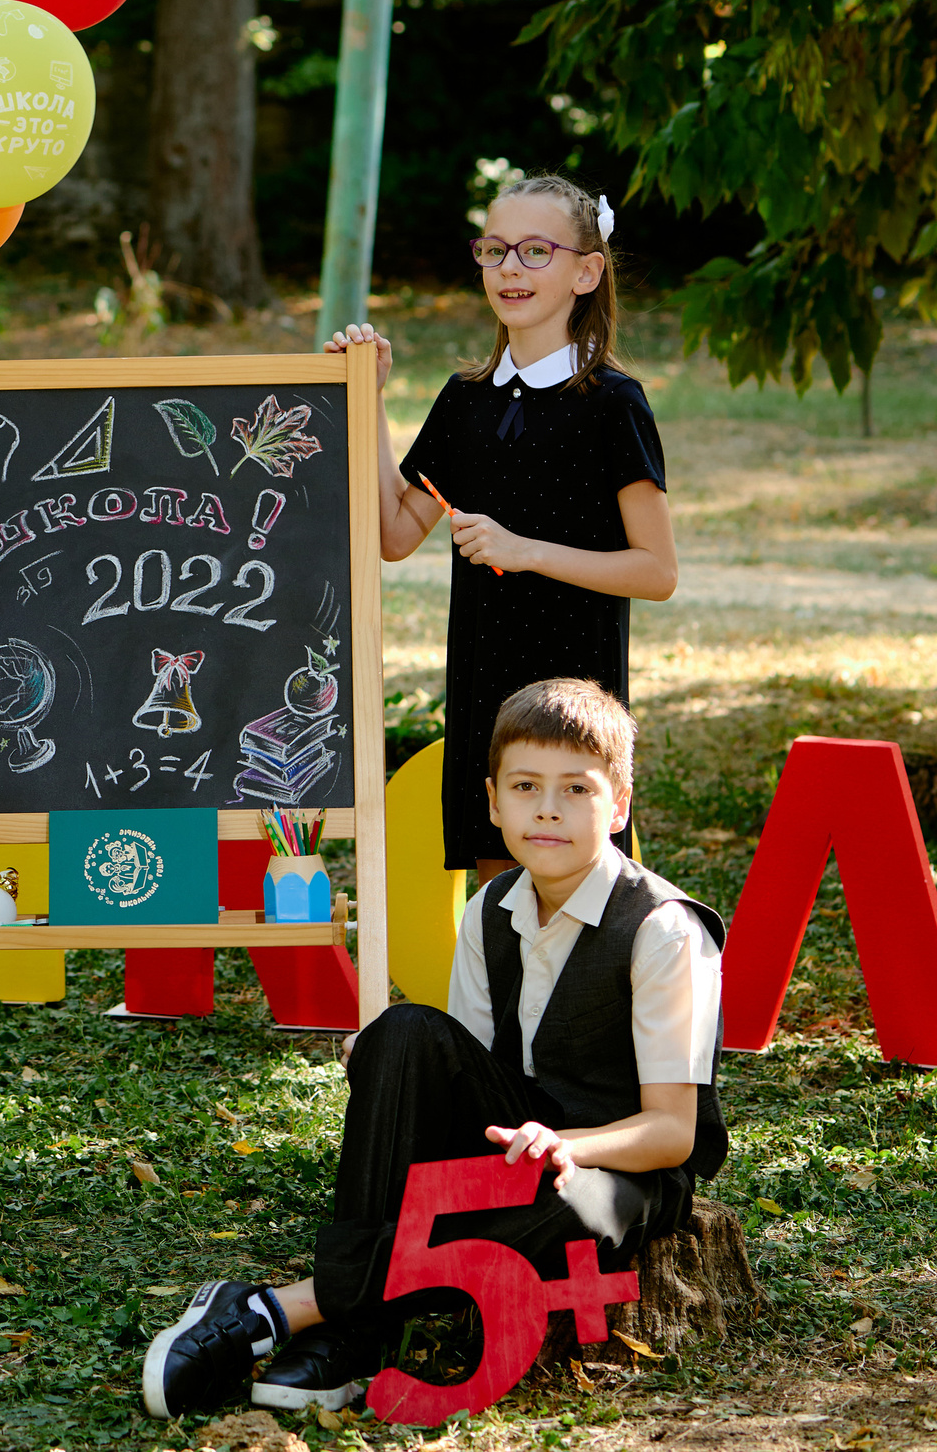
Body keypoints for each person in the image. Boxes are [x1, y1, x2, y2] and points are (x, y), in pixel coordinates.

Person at [142, 678, 727, 1419]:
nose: (548, 807)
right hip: (510, 1139)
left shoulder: (665, 930)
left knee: (573, 1206)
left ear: (618, 805)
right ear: (492, 801)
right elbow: (461, 1078)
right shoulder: (490, 907)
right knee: (407, 1028)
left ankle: (284, 1312)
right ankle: (355, 1327)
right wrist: (390, 1060)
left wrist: (566, 1143)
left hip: (621, 1163)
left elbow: (673, 1131)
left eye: (576, 788)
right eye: (525, 785)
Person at [327, 173, 676, 882]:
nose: (510, 268)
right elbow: (396, 532)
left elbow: (657, 570)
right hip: (485, 688)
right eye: (494, 250)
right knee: (499, 889)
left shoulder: (613, 405)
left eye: (534, 251)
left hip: (575, 693)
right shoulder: (465, 401)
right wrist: (366, 400)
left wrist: (528, 552)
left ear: (587, 270)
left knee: (572, 884)